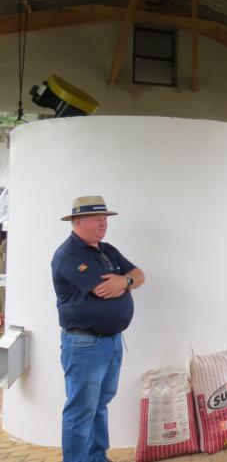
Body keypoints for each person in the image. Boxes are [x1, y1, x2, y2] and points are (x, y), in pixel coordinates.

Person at [52, 196, 145, 462]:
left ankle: (97, 458)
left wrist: (125, 280)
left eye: (105, 218)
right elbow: (104, 290)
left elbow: (139, 275)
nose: (103, 223)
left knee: (100, 406)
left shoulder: (107, 250)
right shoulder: (69, 255)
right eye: (97, 218)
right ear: (78, 222)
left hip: (112, 341)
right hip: (85, 345)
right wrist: (125, 282)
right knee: (81, 410)